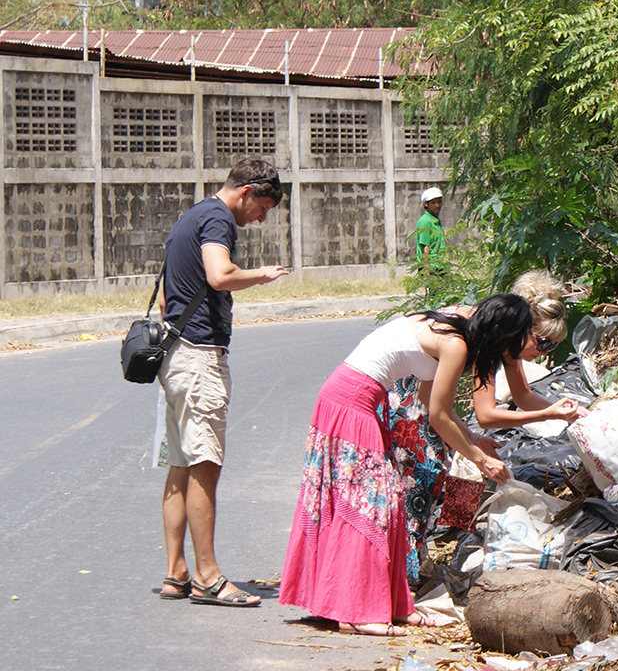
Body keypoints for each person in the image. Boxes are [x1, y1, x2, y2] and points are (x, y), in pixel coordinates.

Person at [279, 293, 560, 636]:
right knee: (373, 505)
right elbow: (440, 417)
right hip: (351, 400)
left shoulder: (457, 331)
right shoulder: (456, 343)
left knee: (391, 502)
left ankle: (394, 605)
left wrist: (472, 439)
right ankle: (353, 611)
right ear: (500, 330)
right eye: (521, 339)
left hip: (364, 400)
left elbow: (430, 403)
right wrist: (480, 458)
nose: (518, 350)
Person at [386, 270, 582, 584]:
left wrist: (568, 412)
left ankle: (433, 547)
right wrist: (550, 415)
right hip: (408, 390)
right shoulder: (490, 336)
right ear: (521, 327)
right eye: (542, 343)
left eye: (551, 347)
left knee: (451, 459)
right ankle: (413, 562)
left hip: (425, 391)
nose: (541, 354)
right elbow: (487, 414)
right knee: (426, 469)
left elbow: (523, 396)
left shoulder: (511, 340)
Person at [156, 159, 289, 607]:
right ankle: (207, 578)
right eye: (263, 207)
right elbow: (219, 275)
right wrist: (262, 275)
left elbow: (163, 298)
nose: (261, 218)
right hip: (199, 359)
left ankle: (176, 573)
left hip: (175, 358)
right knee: (205, 467)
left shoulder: (190, 216)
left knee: (181, 464)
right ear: (247, 192)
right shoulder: (216, 219)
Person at [415, 187, 446, 273]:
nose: (437, 205)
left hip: (440, 266)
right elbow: (425, 248)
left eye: (439, 202)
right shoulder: (425, 221)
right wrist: (427, 273)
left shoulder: (435, 220)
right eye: (433, 203)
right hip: (432, 268)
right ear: (426, 204)